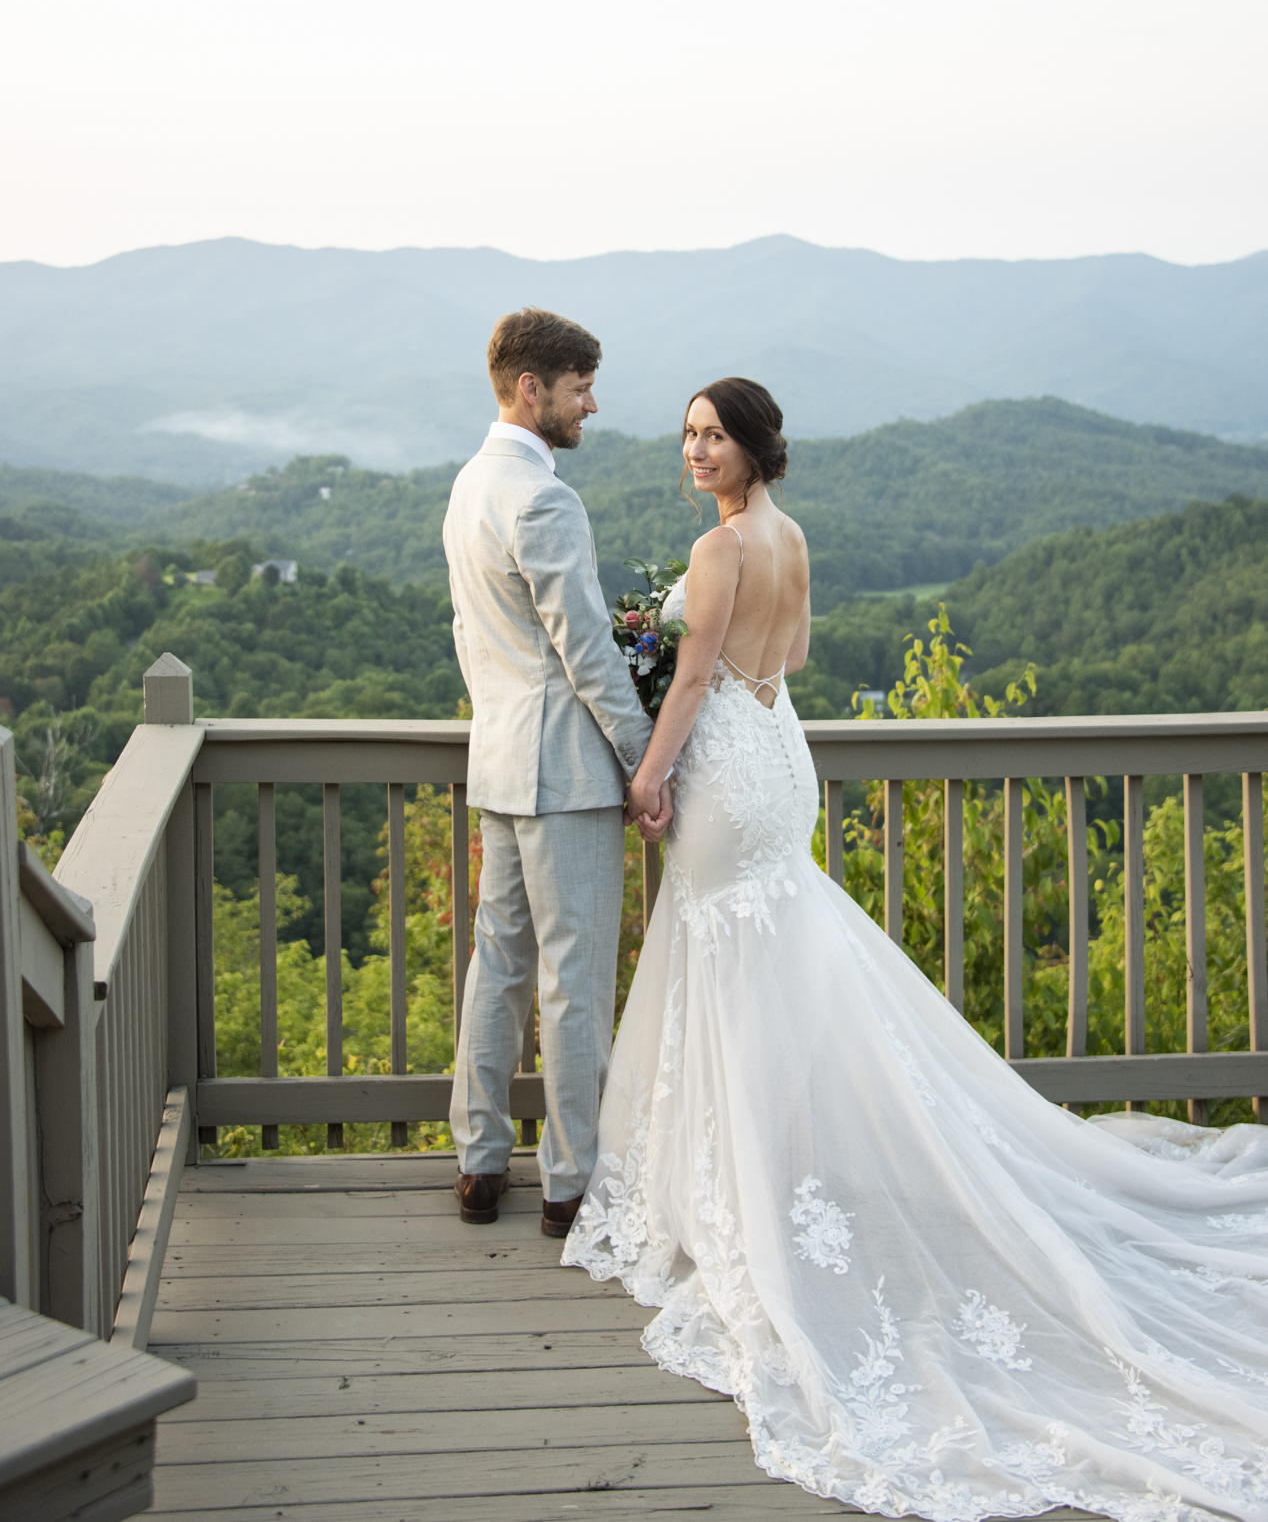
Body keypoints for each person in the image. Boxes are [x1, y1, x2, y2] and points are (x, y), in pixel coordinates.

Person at [564, 376, 1268, 1522]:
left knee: (725, 966)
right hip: (782, 759)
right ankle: (760, 1165)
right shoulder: (788, 536)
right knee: (770, 958)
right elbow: (770, 664)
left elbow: (693, 677)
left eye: (714, 435)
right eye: (687, 434)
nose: (694, 450)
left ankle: (739, 1186)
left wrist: (646, 773)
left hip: (728, 772)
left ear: (753, 446)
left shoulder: (716, 551)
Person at [443, 307, 672, 1238]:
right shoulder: (544, 498)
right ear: (531, 388)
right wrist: (642, 757)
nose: (590, 406)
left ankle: (478, 1163)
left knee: (497, 965)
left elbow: (471, 636)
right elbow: (583, 646)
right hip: (565, 773)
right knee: (574, 979)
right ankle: (571, 1181)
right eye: (579, 388)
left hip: (499, 760)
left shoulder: (468, 484)